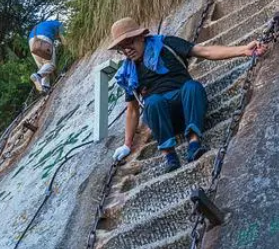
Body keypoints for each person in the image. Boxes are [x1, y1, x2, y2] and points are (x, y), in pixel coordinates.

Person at [109, 17, 267, 171]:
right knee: (153, 102)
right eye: (122, 48)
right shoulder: (128, 73)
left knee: (192, 87)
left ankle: (193, 142)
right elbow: (132, 110)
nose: (127, 51)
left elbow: (205, 51)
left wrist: (243, 50)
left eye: (129, 43)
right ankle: (169, 155)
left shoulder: (166, 44)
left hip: (187, 106)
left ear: (141, 37)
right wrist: (127, 144)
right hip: (162, 118)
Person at [28, 19, 64, 93]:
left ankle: (45, 86)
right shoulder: (59, 24)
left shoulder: (45, 24)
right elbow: (65, 39)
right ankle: (37, 76)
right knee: (51, 64)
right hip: (44, 38)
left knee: (43, 66)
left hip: (32, 42)